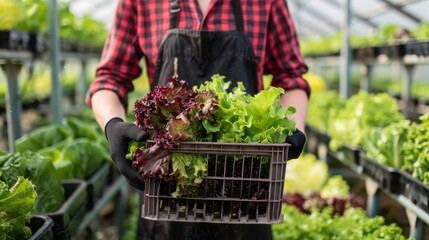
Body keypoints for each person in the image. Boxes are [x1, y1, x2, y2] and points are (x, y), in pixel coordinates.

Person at [86, 0, 310, 239]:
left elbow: (290, 78)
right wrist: (113, 125)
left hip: (246, 193)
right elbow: (109, 80)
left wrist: (290, 126)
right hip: (167, 191)